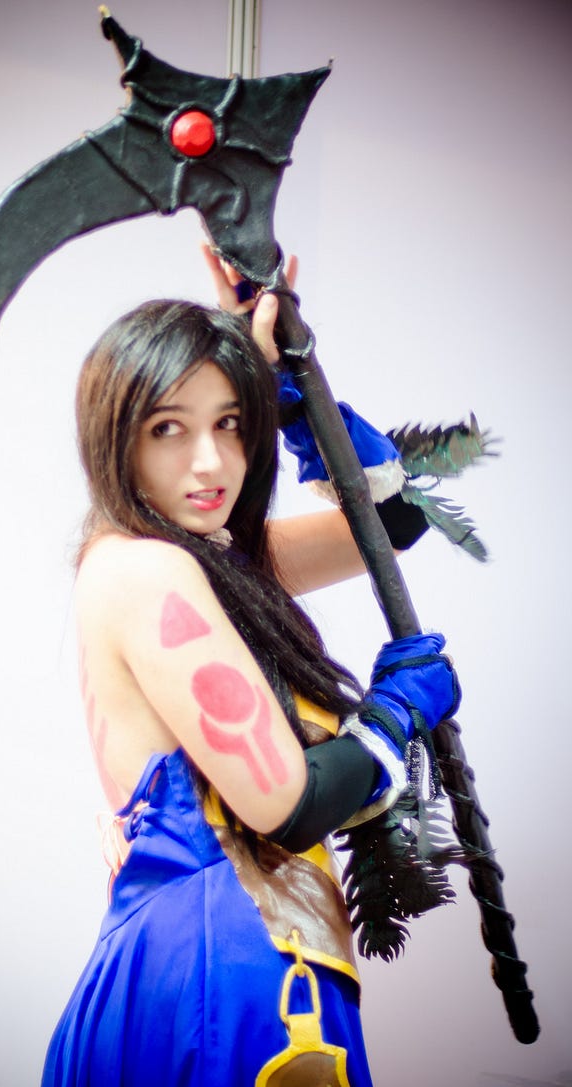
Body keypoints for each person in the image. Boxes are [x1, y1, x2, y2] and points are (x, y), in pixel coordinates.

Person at [40, 266, 459, 1087]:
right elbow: (284, 805)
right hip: (226, 972)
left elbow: (395, 519)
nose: (211, 462)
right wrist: (396, 711)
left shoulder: (211, 559)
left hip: (236, 957)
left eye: (230, 422)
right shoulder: (149, 569)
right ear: (113, 435)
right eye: (168, 427)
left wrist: (293, 393)